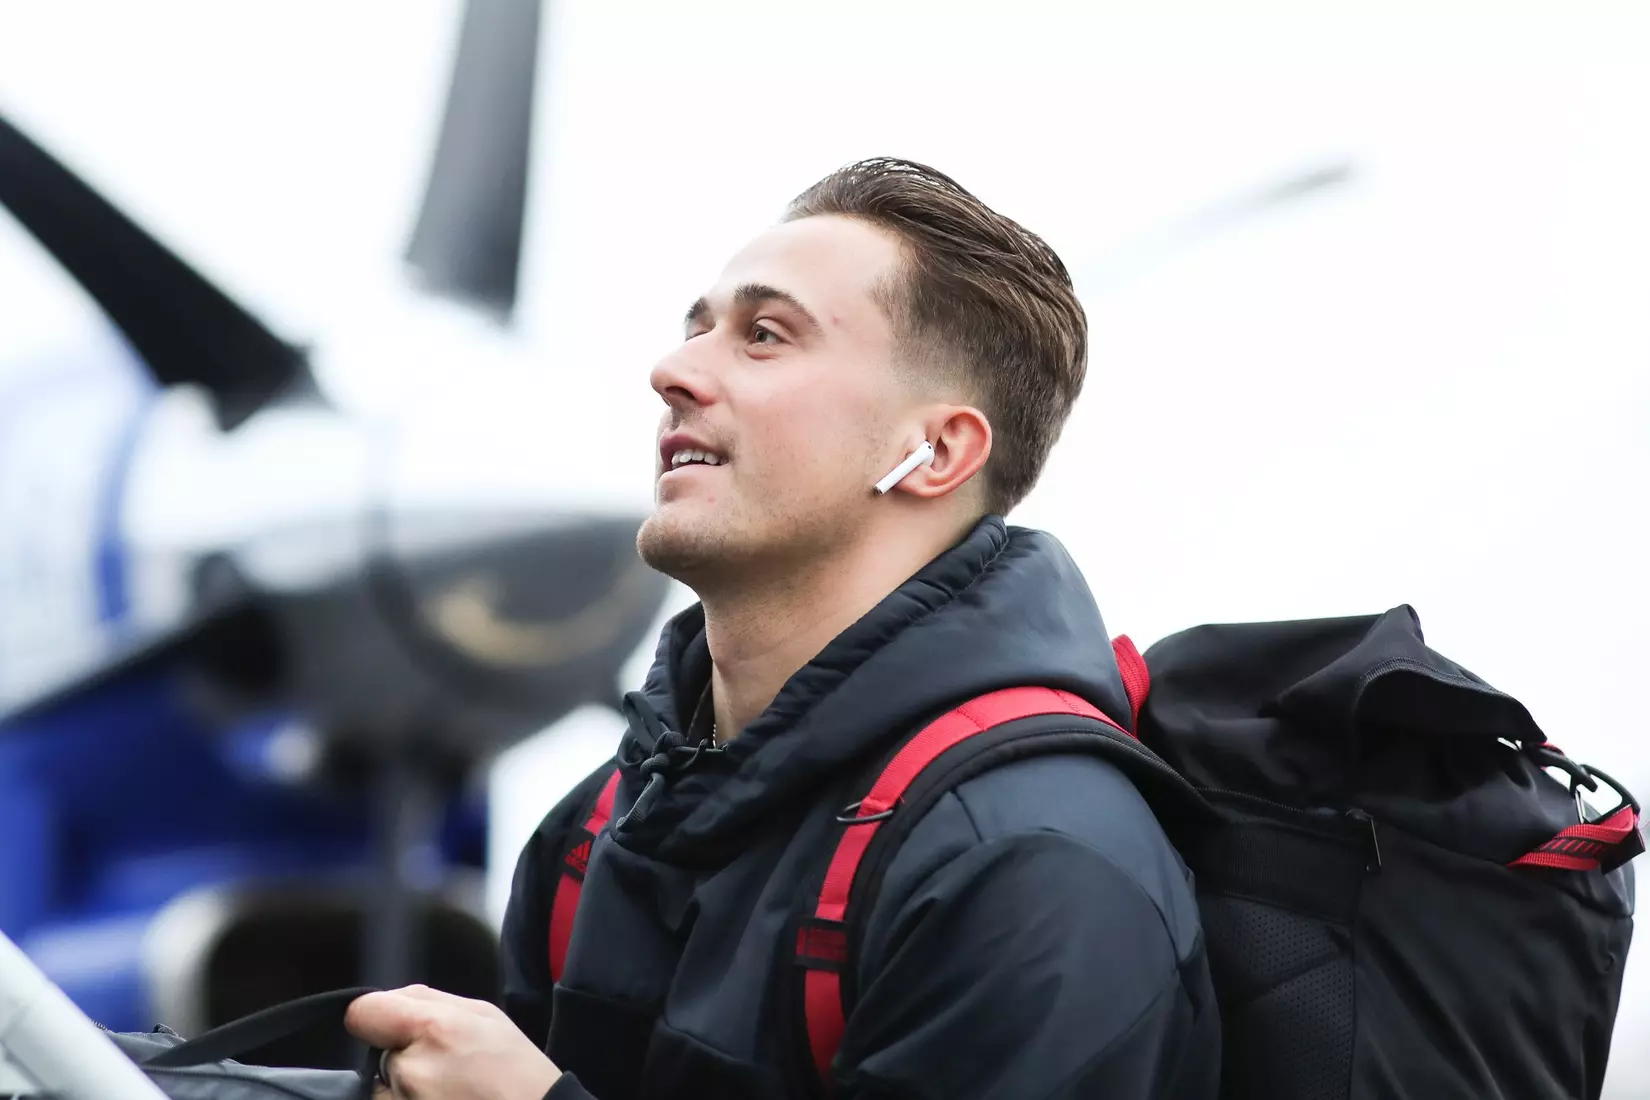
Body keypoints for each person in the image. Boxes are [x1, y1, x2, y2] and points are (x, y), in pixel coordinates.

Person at [346, 158, 1219, 1099]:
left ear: (936, 453)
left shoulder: (1036, 866)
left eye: (764, 335)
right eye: (696, 328)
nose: (672, 372)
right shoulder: (596, 828)